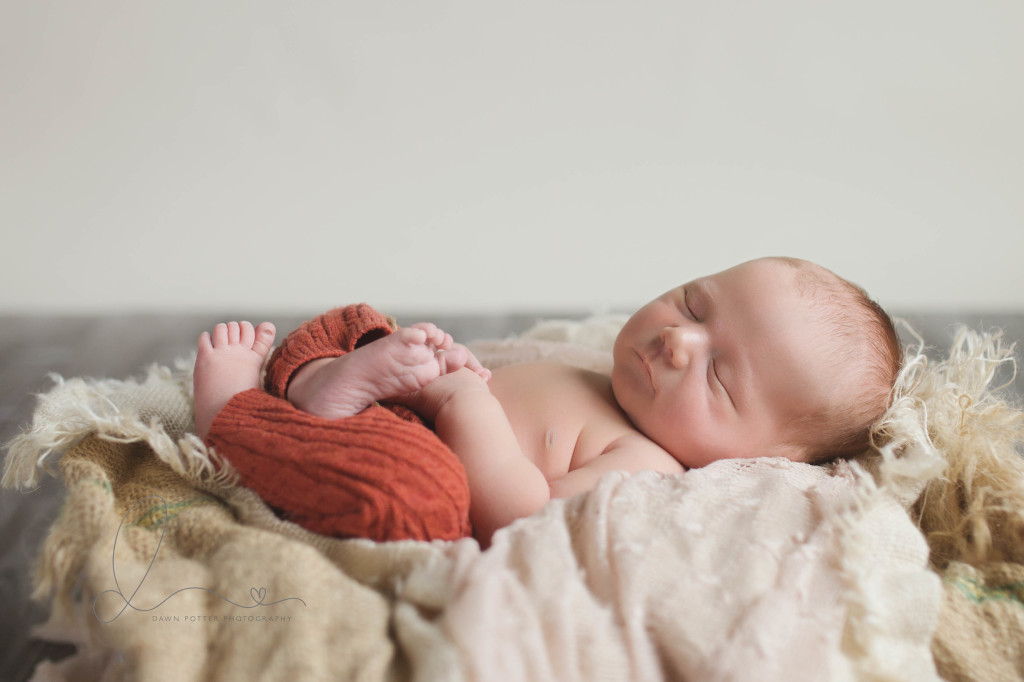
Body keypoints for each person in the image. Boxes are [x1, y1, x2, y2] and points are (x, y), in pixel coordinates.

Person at [192, 257, 901, 546]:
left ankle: (237, 414)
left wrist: (463, 400)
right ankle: (323, 389)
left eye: (719, 376)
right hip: (401, 408)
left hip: (415, 463)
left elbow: (520, 515)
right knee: (357, 324)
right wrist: (424, 360)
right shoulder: (591, 373)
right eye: (692, 304)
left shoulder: (645, 466)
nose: (678, 342)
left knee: (412, 495)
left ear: (760, 457)